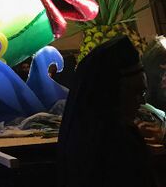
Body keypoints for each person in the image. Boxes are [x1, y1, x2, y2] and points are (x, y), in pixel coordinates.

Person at [57, 36, 157, 187]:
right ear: (111, 93)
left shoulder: (84, 134)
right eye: (136, 92)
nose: (142, 102)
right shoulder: (116, 144)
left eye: (143, 92)